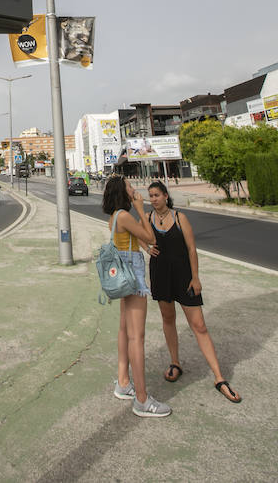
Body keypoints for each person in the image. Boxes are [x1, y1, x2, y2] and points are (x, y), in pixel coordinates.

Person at [146, 180, 242, 403]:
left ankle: (219, 377)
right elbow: (136, 234)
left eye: (157, 195)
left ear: (166, 196)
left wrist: (196, 278)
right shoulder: (148, 219)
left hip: (184, 277)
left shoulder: (180, 218)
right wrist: (146, 247)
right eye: (150, 196)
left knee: (199, 325)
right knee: (167, 319)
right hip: (160, 275)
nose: (153, 199)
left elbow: (191, 249)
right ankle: (175, 362)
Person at [102, 174, 172, 418]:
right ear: (123, 192)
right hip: (133, 277)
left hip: (123, 274)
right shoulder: (124, 215)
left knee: (124, 330)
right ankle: (142, 399)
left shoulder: (115, 217)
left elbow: (130, 240)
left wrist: (143, 247)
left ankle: (123, 382)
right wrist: (142, 209)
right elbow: (150, 236)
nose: (134, 189)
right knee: (136, 337)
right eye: (130, 186)